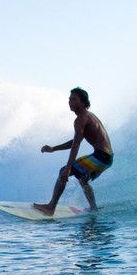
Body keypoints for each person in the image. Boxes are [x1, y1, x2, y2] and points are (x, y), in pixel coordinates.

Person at [33, 87, 113, 215]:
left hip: (101, 156)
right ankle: (93, 208)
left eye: (74, 99)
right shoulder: (88, 116)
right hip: (106, 157)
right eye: (69, 99)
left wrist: (68, 168)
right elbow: (75, 141)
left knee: (62, 171)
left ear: (82, 102)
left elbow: (76, 145)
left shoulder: (81, 119)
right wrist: (54, 149)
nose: (70, 102)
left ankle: (50, 208)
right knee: (82, 177)